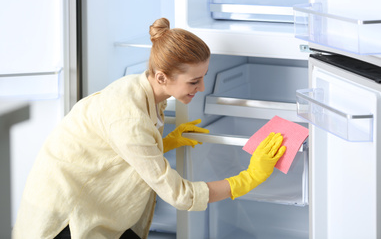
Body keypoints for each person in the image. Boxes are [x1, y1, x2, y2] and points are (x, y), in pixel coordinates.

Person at [13, 18, 286, 239]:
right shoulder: (128, 117)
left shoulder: (143, 90)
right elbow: (181, 195)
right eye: (194, 82)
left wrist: (165, 143)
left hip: (91, 201)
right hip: (66, 218)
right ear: (162, 77)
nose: (202, 88)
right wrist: (248, 178)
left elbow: (119, 151)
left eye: (203, 78)